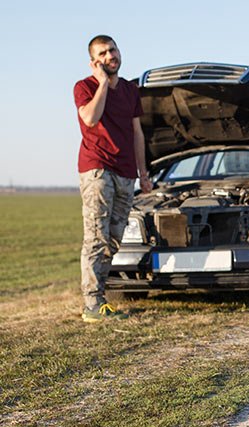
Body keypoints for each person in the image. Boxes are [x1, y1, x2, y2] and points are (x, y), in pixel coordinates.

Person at [74, 35, 152, 323]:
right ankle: (92, 304)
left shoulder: (131, 90)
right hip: (97, 170)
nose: (110, 56)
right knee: (96, 236)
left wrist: (143, 174)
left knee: (114, 239)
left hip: (126, 172)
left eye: (113, 50)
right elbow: (91, 119)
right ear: (94, 61)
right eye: (103, 53)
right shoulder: (85, 87)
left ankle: (99, 296)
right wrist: (103, 83)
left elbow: (137, 133)